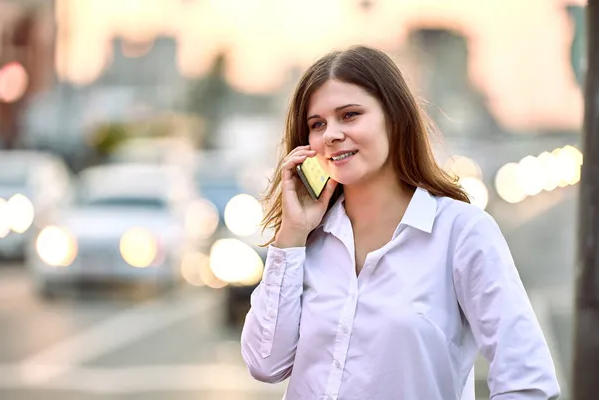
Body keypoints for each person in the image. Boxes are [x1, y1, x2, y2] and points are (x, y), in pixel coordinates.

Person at [240, 45, 560, 400]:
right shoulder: (307, 241)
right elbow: (264, 363)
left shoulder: (461, 232)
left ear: (395, 118)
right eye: (317, 124)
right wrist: (292, 233)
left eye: (349, 115)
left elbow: (529, 382)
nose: (330, 134)